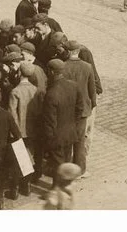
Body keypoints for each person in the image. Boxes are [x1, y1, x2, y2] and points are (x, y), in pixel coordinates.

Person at [40, 59, 84, 184]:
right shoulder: (73, 85)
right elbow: (80, 108)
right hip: (70, 132)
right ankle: (66, 185)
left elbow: (50, 121)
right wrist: (73, 124)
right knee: (66, 160)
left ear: (52, 71)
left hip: (56, 136)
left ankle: (58, 189)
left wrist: (49, 140)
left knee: (58, 164)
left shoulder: (51, 94)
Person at [62, 41, 97, 176]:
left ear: (69, 52)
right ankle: (80, 169)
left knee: (67, 139)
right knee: (80, 140)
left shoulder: (63, 66)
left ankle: (66, 169)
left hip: (67, 109)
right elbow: (92, 90)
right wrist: (91, 105)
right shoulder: (87, 67)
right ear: (77, 51)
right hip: (83, 109)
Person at [8, 61, 41, 196]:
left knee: (18, 158)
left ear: (20, 73)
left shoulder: (15, 91)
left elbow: (12, 113)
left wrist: (14, 131)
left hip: (19, 131)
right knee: (29, 156)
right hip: (32, 130)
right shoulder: (36, 90)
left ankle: (15, 189)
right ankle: (26, 186)